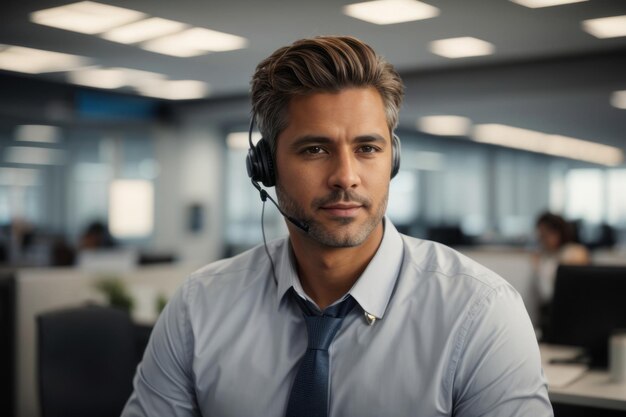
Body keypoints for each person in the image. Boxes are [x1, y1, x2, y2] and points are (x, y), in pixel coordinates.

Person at [122, 36, 552, 417]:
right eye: (314, 149)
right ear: (266, 166)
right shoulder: (199, 307)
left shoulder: (479, 312)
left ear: (392, 161)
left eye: (367, 148)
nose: (345, 176)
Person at [532, 211, 589, 336]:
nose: (543, 239)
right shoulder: (543, 257)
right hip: (549, 313)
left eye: (547, 235)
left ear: (559, 232)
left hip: (570, 314)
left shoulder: (574, 252)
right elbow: (544, 292)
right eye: (541, 235)